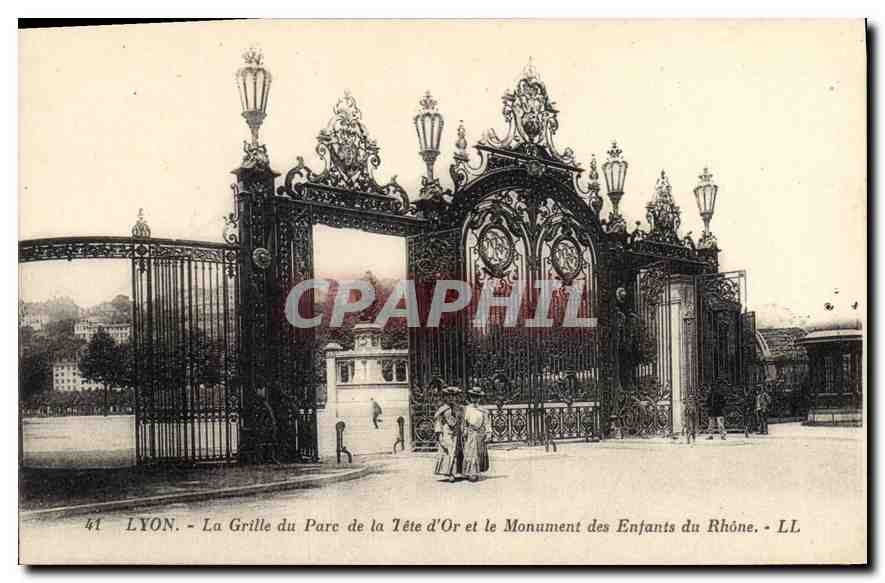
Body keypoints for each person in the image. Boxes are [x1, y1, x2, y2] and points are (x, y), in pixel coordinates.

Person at [433, 386, 464, 482]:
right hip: (446, 431)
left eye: (453, 396)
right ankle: (450, 473)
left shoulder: (459, 408)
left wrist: (463, 430)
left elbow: (462, 420)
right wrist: (440, 436)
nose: (451, 398)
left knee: (457, 451)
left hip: (457, 432)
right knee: (450, 450)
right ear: (445, 397)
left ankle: (457, 471)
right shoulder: (442, 409)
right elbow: (438, 422)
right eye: (449, 396)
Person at [462, 387, 491, 481]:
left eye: (477, 397)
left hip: (479, 433)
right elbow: (464, 422)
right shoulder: (467, 409)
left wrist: (488, 433)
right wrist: (465, 430)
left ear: (480, 398)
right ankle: (470, 472)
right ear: (470, 397)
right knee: (470, 452)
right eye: (473, 397)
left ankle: (476, 471)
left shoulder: (483, 410)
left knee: (478, 452)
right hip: (470, 432)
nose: (475, 399)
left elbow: (487, 422)